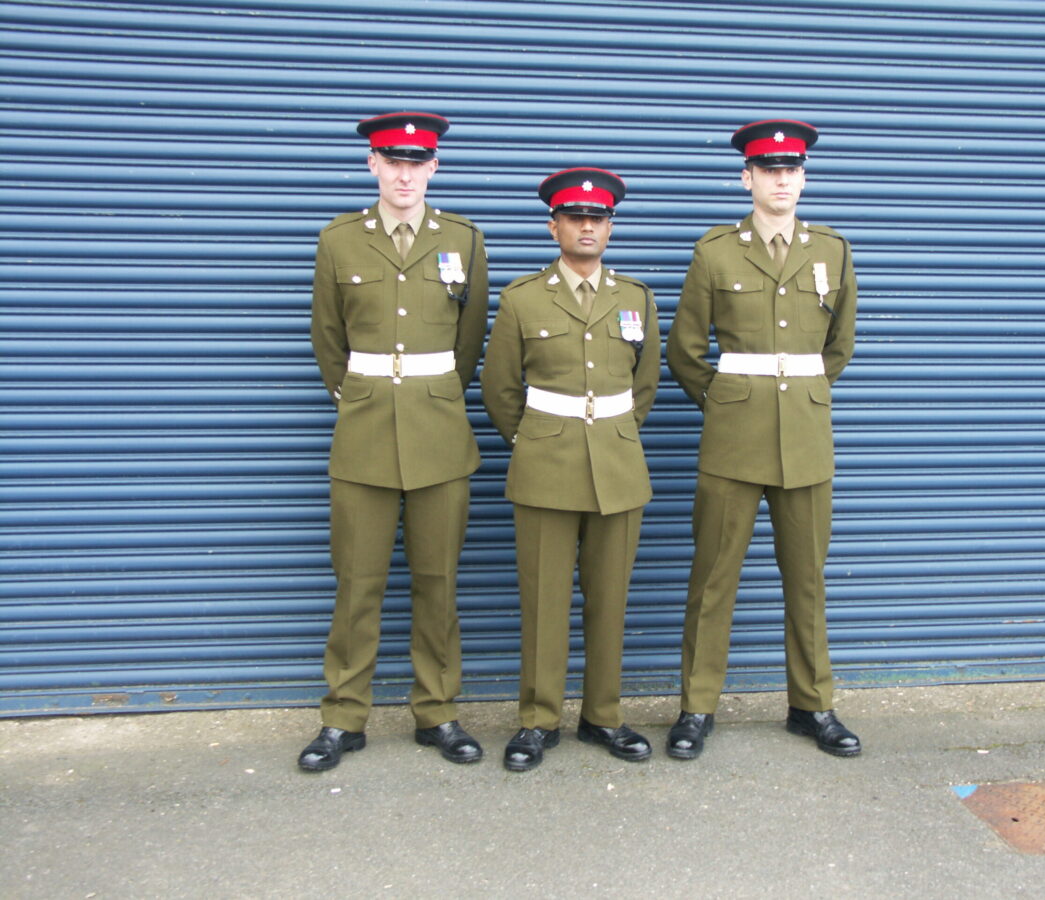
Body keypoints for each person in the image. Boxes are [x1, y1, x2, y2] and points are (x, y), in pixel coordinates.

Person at [665, 119, 861, 759]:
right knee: (713, 576)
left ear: (803, 178)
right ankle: (697, 707)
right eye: (769, 170)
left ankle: (812, 705)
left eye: (792, 170)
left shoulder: (831, 250)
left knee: (807, 579)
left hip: (805, 438)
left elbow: (838, 348)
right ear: (746, 177)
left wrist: (798, 394)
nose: (782, 180)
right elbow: (686, 350)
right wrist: (730, 402)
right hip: (734, 439)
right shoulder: (716, 251)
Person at [300, 112, 489, 771]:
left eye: (418, 160)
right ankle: (343, 717)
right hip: (365, 433)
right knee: (357, 581)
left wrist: (431, 395)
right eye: (392, 159)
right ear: (371, 165)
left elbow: (468, 346)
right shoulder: (339, 241)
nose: (405, 172)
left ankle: (437, 711)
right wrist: (365, 397)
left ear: (434, 166)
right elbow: (329, 343)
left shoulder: (463, 240)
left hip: (439, 433)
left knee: (438, 581)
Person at [481, 168, 659, 771]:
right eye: (576, 217)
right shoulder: (523, 298)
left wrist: (611, 432)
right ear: (553, 224)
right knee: (544, 599)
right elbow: (499, 389)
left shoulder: (634, 297)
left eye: (599, 218)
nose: (588, 226)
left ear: (609, 227)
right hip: (545, 466)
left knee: (610, 598)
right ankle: (538, 720)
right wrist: (536, 439)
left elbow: (646, 384)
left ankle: (603, 716)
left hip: (617, 464)